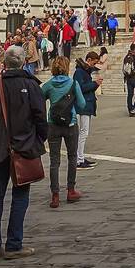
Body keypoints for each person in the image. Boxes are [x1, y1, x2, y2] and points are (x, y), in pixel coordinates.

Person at [0, 44, 47, 260]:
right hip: (24, 150)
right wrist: (36, 141)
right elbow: (41, 119)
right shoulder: (31, 85)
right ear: (24, 62)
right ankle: (14, 245)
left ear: (5, 64)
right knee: (20, 196)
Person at [41, 57, 85, 207]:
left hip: (53, 125)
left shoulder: (48, 85)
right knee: (72, 157)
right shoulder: (73, 83)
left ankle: (55, 195)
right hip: (70, 123)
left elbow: (39, 99)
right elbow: (82, 103)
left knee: (54, 160)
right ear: (67, 68)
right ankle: (71, 190)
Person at [73, 53, 101, 167]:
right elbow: (80, 88)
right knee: (83, 132)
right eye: (94, 62)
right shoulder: (80, 72)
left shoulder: (84, 71)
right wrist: (94, 84)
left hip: (86, 104)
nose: (94, 65)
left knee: (84, 132)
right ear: (89, 60)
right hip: (83, 105)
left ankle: (80, 157)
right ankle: (79, 159)